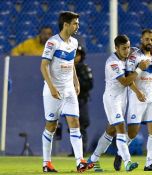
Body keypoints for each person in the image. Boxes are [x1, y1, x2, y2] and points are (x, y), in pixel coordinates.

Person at [87, 35, 151, 172]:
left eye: (128, 47)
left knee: (110, 130)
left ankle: (93, 160)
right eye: (123, 48)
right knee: (121, 128)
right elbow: (125, 81)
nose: (127, 51)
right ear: (116, 48)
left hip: (122, 99)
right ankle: (128, 162)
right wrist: (139, 69)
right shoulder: (113, 63)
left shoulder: (129, 54)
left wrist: (138, 92)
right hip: (112, 99)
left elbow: (147, 48)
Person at [40, 11, 91, 173]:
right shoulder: (52, 42)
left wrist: (75, 81)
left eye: (78, 23)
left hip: (69, 89)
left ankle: (80, 161)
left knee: (75, 123)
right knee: (51, 125)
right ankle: (46, 163)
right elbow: (43, 66)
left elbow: (71, 64)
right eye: (75, 23)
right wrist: (52, 87)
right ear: (66, 24)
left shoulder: (74, 42)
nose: (78, 26)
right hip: (53, 90)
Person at [124, 29, 152, 171]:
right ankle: (120, 153)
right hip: (137, 98)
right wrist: (138, 92)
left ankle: (149, 163)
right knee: (133, 132)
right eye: (147, 39)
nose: (150, 42)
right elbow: (128, 78)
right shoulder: (134, 57)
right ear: (141, 40)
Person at [74, 43, 93, 155]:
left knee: (82, 125)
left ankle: (82, 150)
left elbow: (90, 84)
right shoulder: (66, 68)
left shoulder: (84, 68)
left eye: (78, 54)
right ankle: (75, 151)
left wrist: (77, 84)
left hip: (81, 100)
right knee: (72, 126)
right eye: (74, 54)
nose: (76, 57)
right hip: (70, 100)